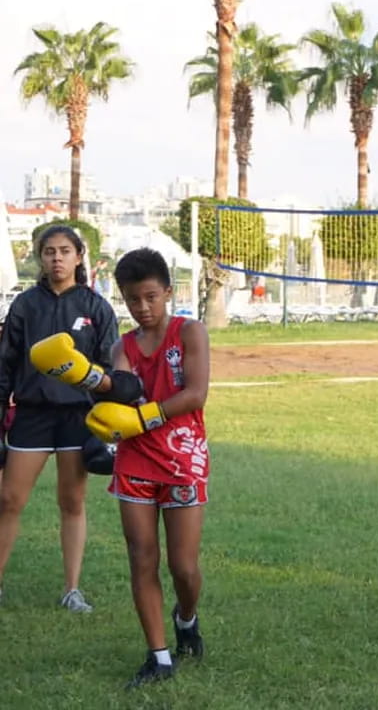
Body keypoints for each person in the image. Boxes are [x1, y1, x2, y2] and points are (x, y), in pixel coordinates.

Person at [84, 247, 210, 688]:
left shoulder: (190, 332)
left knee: (183, 567)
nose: (143, 307)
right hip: (135, 459)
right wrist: (90, 380)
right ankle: (158, 657)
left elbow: (195, 394)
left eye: (151, 297)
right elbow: (122, 387)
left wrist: (142, 416)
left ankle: (187, 618)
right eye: (133, 299)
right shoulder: (123, 344)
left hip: (182, 456)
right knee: (141, 558)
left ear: (168, 292)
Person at [0, 225, 118, 611]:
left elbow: (110, 369)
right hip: (32, 413)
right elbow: (5, 363)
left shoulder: (96, 306)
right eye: (49, 251)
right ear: (40, 258)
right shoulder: (24, 305)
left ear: (79, 256)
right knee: (9, 499)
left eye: (65, 250)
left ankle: (71, 589)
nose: (57, 258)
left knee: (72, 501)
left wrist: (106, 418)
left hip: (76, 417)